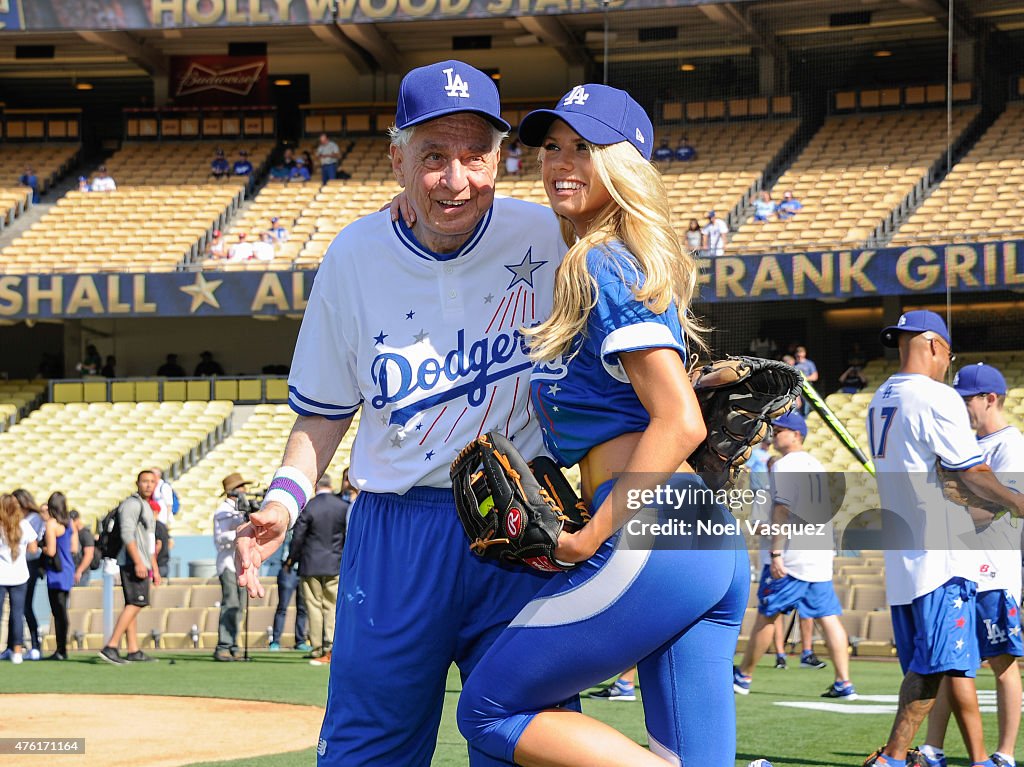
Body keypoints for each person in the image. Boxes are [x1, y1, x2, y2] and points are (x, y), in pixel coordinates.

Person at [234, 59, 567, 767]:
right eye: (433, 157)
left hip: (522, 523)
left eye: (475, 155)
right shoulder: (353, 256)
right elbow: (322, 413)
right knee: (368, 750)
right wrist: (284, 502)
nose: (457, 179)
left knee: (531, 741)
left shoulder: (548, 237)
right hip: (397, 532)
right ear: (396, 159)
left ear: (500, 159)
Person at [456, 83, 749, 766]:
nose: (560, 161)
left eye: (584, 148)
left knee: (489, 708)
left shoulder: (602, 262)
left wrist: (586, 535)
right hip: (700, 539)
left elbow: (677, 421)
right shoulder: (618, 259)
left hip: (648, 537)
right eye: (552, 146)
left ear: (622, 163)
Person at [862, 311, 1024, 767]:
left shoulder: (880, 396)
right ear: (935, 346)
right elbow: (972, 473)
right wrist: (1015, 501)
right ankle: (893, 757)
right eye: (948, 356)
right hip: (942, 556)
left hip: (906, 551)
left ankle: (916, 754)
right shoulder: (935, 396)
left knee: (939, 666)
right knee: (937, 667)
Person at [918, 364, 1024, 767]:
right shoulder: (968, 445)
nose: (961, 407)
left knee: (1002, 663)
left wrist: (951, 500)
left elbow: (994, 511)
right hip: (960, 566)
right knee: (951, 661)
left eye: (966, 400)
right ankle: (933, 747)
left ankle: (1006, 753)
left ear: (990, 399)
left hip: (994, 569)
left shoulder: (1009, 444)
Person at [734, 411, 857, 700]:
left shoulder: (787, 464)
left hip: (793, 555)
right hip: (817, 553)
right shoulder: (814, 464)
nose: (775, 434)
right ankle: (844, 682)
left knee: (767, 614)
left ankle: (743, 676)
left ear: (797, 435)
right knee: (828, 618)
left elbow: (783, 509)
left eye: (781, 430)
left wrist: (776, 551)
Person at [97, 470, 160, 665]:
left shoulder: (145, 506)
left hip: (142, 560)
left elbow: (148, 540)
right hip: (133, 562)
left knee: (132, 603)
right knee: (136, 603)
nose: (148, 485)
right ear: (137, 483)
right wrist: (139, 562)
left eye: (152, 482)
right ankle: (111, 646)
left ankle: (133, 649)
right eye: (144, 481)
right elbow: (127, 534)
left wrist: (154, 567)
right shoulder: (132, 504)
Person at [287, 474, 348, 666]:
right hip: (335, 563)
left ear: (316, 486)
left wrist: (291, 559)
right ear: (331, 485)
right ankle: (330, 645)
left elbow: (298, 537)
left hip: (311, 564)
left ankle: (316, 647)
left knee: (313, 606)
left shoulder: (309, 506)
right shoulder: (342, 506)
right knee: (332, 606)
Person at [213, 473, 251, 662]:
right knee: (231, 603)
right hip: (228, 563)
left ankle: (234, 644)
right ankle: (224, 645)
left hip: (241, 564)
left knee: (239, 606)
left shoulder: (243, 510)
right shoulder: (222, 511)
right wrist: (238, 534)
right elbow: (220, 540)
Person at [0, 493, 39, 664]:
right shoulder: (24, 524)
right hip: (20, 575)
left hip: (1, 575)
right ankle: (17, 651)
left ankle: (9, 649)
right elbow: (33, 548)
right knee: (17, 614)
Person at [9, 489, 45, 660]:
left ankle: (35, 644)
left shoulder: (33, 519)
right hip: (19, 565)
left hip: (29, 566)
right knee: (18, 610)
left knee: (25, 607)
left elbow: (33, 547)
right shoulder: (16, 520)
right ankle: (13, 645)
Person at [42, 492, 76, 661]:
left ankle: (61, 649)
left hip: (56, 571)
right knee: (63, 610)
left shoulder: (51, 524)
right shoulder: (69, 522)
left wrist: (42, 548)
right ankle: (63, 648)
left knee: (58, 611)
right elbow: (74, 546)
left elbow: (51, 550)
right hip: (68, 568)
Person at [269, 529, 310, 652]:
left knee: (303, 609)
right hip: (288, 570)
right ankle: (275, 641)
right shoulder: (289, 527)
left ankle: (300, 641)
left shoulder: (308, 526)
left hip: (304, 569)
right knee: (282, 607)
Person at [69, 510, 96, 587]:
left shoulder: (85, 534)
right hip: (73, 571)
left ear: (77, 520)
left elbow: (89, 555)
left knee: (79, 597)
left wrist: (79, 571)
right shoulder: (72, 533)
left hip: (82, 573)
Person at [794, 346, 819, 416]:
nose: (799, 355)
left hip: (807, 388)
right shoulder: (794, 364)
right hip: (796, 389)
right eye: (798, 353)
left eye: (801, 353)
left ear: (804, 353)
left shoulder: (809, 364)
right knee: (797, 408)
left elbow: (815, 377)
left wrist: (804, 379)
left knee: (806, 409)